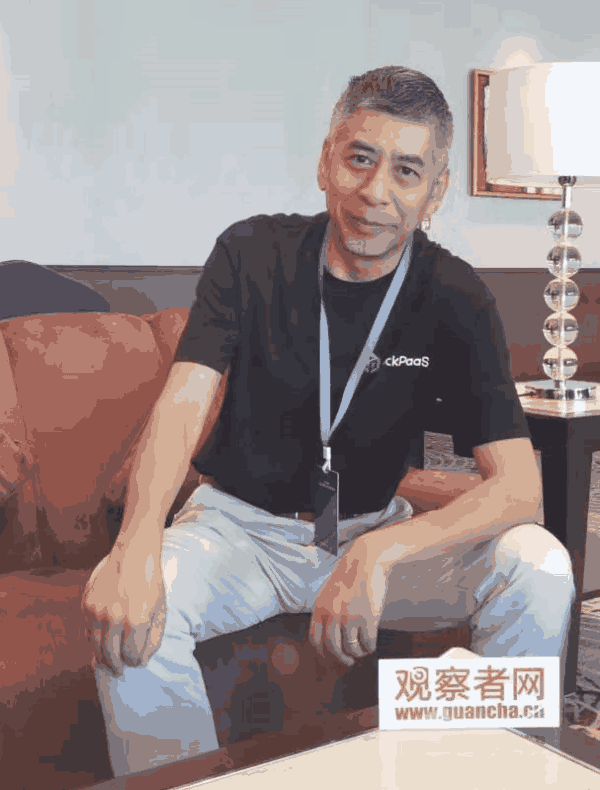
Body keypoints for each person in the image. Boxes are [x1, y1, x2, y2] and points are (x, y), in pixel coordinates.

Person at [83, 66, 575, 776]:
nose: (375, 191)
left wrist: (380, 553)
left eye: (406, 171)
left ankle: (493, 774)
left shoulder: (458, 297)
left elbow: (519, 489)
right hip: (239, 533)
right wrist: (135, 545)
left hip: (372, 529)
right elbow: (183, 403)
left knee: (539, 565)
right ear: (325, 161)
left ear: (435, 192)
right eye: (360, 158)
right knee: (130, 613)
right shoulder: (251, 253)